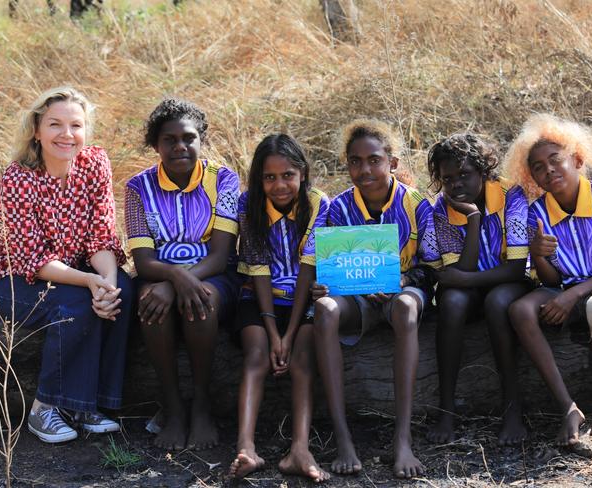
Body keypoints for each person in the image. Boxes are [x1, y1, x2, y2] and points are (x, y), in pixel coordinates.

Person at [0, 86, 132, 443]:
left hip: (72, 267)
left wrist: (108, 284)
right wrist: (89, 282)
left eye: (76, 126)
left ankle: (90, 403)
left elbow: (101, 234)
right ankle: (45, 408)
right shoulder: (18, 177)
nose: (67, 135)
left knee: (125, 291)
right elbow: (32, 259)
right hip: (14, 277)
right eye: (55, 124)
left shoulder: (94, 162)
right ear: (37, 130)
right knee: (76, 302)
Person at [312, 119, 441, 479]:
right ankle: (343, 439)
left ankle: (402, 439)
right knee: (323, 310)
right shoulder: (338, 209)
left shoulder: (418, 205)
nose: (364, 169)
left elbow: (432, 268)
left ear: (393, 163)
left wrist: (402, 278)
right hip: (358, 298)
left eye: (374, 160)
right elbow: (333, 269)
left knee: (403, 306)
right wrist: (332, 287)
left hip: (405, 293)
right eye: (355, 161)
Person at [504, 113, 592, 445]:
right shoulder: (537, 213)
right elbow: (549, 277)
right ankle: (568, 407)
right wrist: (539, 255)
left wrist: (571, 296)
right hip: (563, 285)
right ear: (531, 175)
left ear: (577, 159)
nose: (547, 169)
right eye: (537, 166)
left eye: (555, 159)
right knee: (520, 310)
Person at [124, 98, 241, 450]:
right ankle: (173, 408)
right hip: (157, 274)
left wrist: (181, 283)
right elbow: (143, 261)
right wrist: (174, 279)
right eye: (169, 140)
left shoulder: (224, 181)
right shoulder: (137, 188)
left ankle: (202, 405)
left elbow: (221, 256)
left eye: (188, 138)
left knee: (199, 302)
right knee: (151, 306)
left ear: (201, 139)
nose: (179, 147)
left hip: (214, 275)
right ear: (155, 144)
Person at [228, 134, 330, 482]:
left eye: (288, 175)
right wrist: (273, 333)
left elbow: (308, 266)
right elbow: (256, 266)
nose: (279, 185)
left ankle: (299, 449)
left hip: (302, 299)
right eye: (269, 177)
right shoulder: (248, 204)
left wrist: (288, 334)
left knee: (302, 359)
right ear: (259, 179)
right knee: (256, 357)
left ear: (302, 173)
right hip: (259, 298)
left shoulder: (318, 204)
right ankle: (246, 448)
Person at [425, 134, 531, 445]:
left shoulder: (511, 195)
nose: (456, 183)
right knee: (453, 302)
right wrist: (473, 218)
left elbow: (515, 267)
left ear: (484, 171)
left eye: (464, 175)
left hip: (508, 284)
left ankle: (512, 409)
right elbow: (461, 270)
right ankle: (447, 410)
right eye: (448, 178)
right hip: (469, 289)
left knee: (498, 302)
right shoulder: (443, 209)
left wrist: (463, 280)